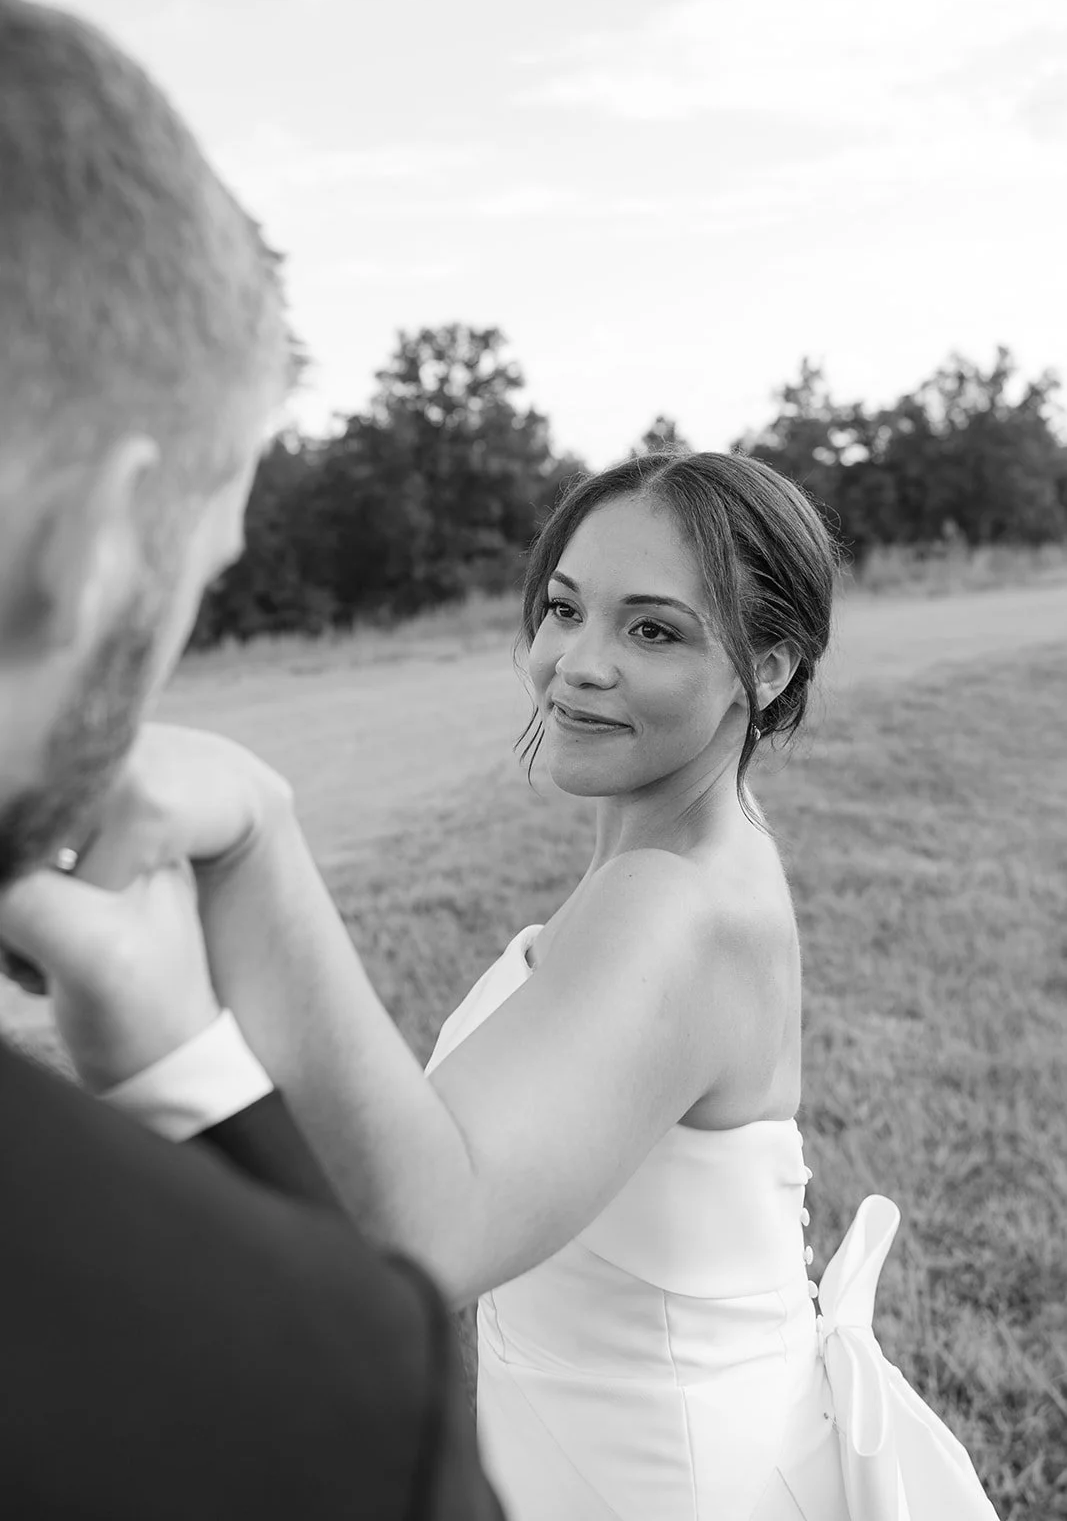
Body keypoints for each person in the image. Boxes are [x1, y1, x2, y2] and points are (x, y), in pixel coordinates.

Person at [5, 444, 1004, 1516]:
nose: (575, 660)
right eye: (565, 608)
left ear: (764, 668)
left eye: (652, 629)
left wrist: (262, 838)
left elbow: (431, 1229)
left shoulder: (678, 902)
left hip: (663, 1479)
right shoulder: (665, 868)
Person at [0, 0, 503, 1520]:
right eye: (200, 573)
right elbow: (369, 1333)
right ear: (90, 545)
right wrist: (189, 1083)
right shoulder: (303, 1393)